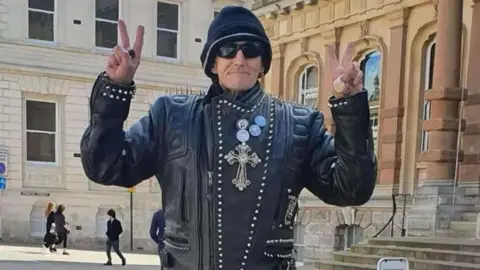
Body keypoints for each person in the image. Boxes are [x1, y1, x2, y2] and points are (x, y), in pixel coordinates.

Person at [80, 6, 376, 270]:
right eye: (228, 49)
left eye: (250, 49)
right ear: (212, 63)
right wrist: (115, 90)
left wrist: (349, 105)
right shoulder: (172, 117)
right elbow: (105, 166)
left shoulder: (297, 124)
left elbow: (351, 188)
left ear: (262, 63)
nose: (239, 58)